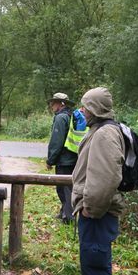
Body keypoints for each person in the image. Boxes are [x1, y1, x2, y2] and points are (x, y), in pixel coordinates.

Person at [72, 87, 126, 275]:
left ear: (96, 109)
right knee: (94, 270)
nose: (82, 110)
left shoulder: (104, 134)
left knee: (96, 272)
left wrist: (89, 210)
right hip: (96, 214)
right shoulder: (101, 129)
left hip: (97, 216)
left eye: (86, 106)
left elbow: (106, 178)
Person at [46, 92, 80, 223]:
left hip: (64, 160)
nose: (51, 105)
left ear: (61, 104)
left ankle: (69, 218)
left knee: (63, 189)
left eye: (53, 102)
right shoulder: (71, 116)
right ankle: (64, 212)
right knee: (68, 187)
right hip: (73, 158)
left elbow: (56, 141)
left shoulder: (61, 118)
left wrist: (50, 160)